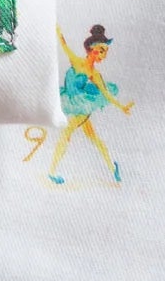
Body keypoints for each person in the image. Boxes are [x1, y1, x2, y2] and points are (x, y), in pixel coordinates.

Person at [49, 24, 134, 184]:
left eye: (105, 52)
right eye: (101, 51)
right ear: (91, 49)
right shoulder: (76, 61)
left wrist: (122, 107)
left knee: (66, 133)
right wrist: (56, 27)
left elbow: (106, 94)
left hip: (82, 105)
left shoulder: (94, 74)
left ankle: (52, 171)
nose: (104, 55)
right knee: (93, 137)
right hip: (71, 99)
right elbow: (63, 43)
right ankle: (112, 168)